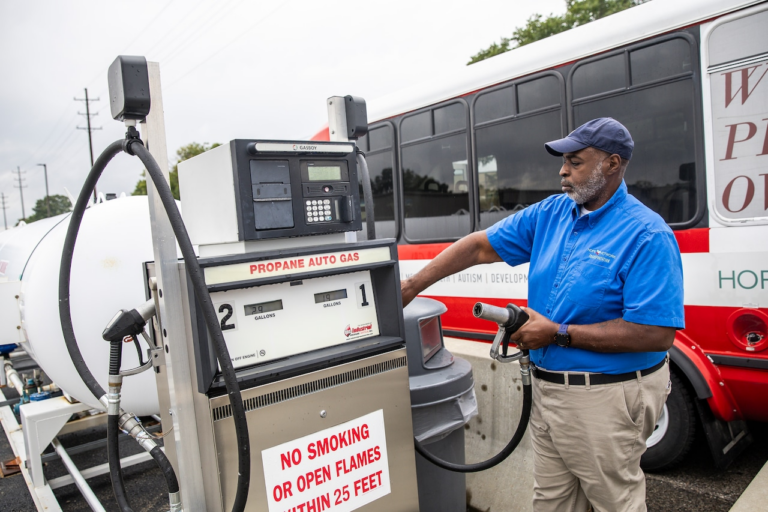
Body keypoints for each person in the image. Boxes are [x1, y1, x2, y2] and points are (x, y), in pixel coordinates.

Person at [400, 118, 684, 512]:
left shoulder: (646, 234)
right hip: (550, 391)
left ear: (613, 164)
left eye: (575, 161)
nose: (563, 171)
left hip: (606, 396)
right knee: (551, 501)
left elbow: (655, 334)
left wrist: (558, 334)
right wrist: (412, 286)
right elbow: (479, 247)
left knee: (613, 502)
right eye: (563, 161)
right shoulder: (552, 213)